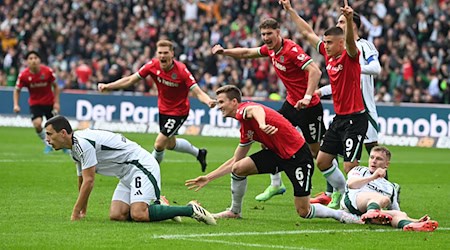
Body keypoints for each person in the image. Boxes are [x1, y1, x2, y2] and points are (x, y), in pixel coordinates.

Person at [185, 85, 362, 224]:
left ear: (234, 102)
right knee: (239, 168)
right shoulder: (245, 127)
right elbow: (235, 160)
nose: (219, 106)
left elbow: (257, 110)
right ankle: (234, 211)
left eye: (222, 102)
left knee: (303, 211)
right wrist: (208, 177)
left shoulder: (244, 110)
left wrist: (261, 125)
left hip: (298, 157)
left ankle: (340, 215)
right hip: (277, 155)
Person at [211, 18, 332, 203]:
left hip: (309, 107)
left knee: (317, 153)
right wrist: (225, 51)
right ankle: (276, 184)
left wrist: (307, 97)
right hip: (292, 103)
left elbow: (315, 71)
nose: (266, 38)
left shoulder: (291, 50)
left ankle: (335, 190)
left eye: (269, 34)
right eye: (263, 34)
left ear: (278, 32)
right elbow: (246, 52)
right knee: (266, 139)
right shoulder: (269, 50)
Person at [44, 115, 216, 225]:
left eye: (50, 134)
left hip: (141, 166)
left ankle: (190, 209)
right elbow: (82, 179)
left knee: (138, 214)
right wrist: (83, 209)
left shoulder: (82, 143)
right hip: (126, 174)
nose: (47, 139)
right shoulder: (74, 148)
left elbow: (89, 181)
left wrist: (75, 214)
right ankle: (160, 206)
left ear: (64, 133)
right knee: (117, 215)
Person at [280, 0, 368, 209]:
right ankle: (342, 192)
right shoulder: (329, 56)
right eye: (325, 42)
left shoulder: (350, 56)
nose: (325, 45)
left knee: (350, 166)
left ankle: (365, 197)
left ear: (340, 43)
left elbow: (350, 44)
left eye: (329, 42)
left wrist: (347, 19)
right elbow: (308, 33)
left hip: (355, 118)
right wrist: (291, 11)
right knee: (322, 161)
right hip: (339, 118)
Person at [98, 40, 216, 172]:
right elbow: (130, 79)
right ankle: (199, 153)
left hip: (178, 112)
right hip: (163, 110)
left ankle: (149, 172)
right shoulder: (152, 65)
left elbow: (198, 92)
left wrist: (208, 101)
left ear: (172, 54)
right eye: (160, 53)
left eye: (166, 53)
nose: (162, 56)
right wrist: (108, 86)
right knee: (170, 144)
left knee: (159, 144)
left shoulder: (181, 70)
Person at [312, 11, 383, 206]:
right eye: (338, 22)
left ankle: (384, 189)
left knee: (374, 154)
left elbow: (376, 69)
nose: (339, 24)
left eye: (342, 21)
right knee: (331, 154)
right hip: (344, 111)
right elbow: (339, 82)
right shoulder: (335, 52)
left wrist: (356, 66)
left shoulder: (363, 46)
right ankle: (334, 193)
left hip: (364, 109)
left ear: (353, 25)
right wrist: (320, 91)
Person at [343, 146, 439, 232]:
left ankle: (411, 226)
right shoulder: (360, 170)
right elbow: (351, 184)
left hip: (372, 214)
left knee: (399, 214)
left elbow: (396, 210)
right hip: (354, 204)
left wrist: (415, 220)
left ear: (387, 164)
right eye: (372, 157)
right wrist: (373, 177)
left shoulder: (390, 187)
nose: (374, 161)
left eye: (379, 159)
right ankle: (371, 211)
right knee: (383, 199)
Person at [13, 50, 61, 154]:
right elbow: (17, 90)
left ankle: (64, 146)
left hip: (49, 103)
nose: (33, 60)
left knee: (55, 127)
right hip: (35, 104)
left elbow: (56, 86)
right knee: (37, 124)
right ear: (27, 62)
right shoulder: (23, 75)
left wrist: (57, 102)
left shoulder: (47, 71)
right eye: (30, 58)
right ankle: (47, 144)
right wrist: (16, 104)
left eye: (35, 58)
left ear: (39, 60)